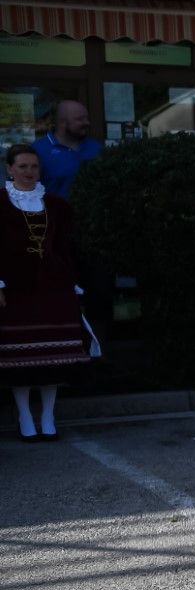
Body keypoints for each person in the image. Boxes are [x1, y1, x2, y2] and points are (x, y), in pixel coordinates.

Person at [1, 144, 89, 440]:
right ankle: (25, 416)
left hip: (52, 285)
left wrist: (71, 281)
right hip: (16, 288)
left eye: (33, 167)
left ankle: (48, 416)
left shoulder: (56, 204)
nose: (28, 172)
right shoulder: (1, 202)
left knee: (53, 356)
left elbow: (64, 247)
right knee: (20, 359)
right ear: (10, 169)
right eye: (22, 167)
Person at [32, 100, 102, 201]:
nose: (87, 122)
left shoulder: (95, 147)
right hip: (55, 214)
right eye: (80, 119)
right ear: (62, 123)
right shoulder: (38, 150)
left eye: (87, 118)